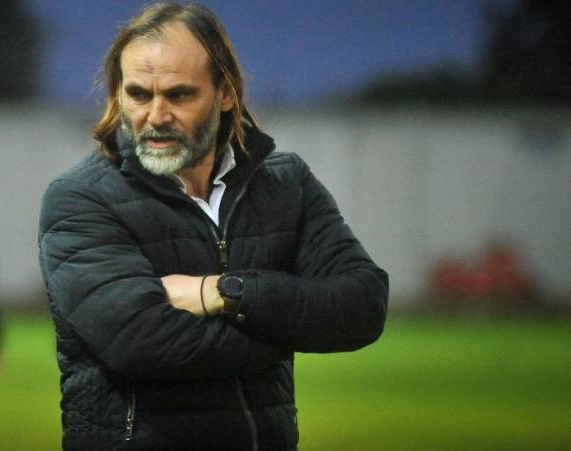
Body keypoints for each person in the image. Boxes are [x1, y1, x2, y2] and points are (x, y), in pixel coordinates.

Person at [38, 3, 388, 450]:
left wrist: (225, 292)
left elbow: (363, 304)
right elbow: (141, 344)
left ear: (226, 93)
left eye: (179, 95)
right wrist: (293, 326)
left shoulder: (286, 182)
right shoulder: (81, 197)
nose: (156, 115)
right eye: (139, 95)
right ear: (117, 94)